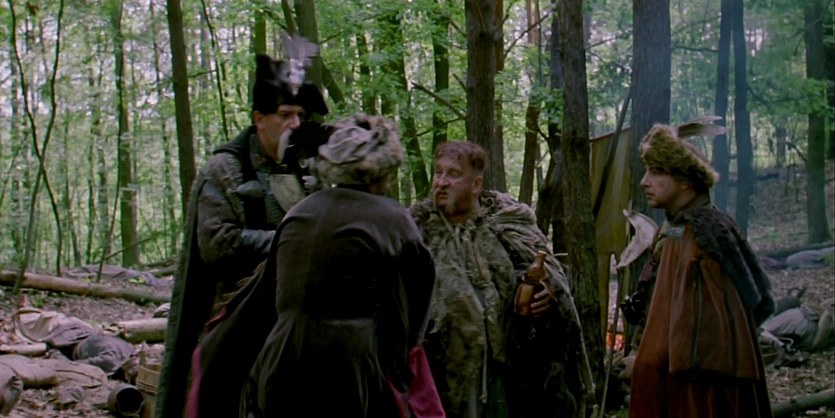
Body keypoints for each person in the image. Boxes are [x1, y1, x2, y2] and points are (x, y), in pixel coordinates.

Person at [156, 45, 329, 418]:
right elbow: (216, 244)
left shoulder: (308, 169)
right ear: (259, 119)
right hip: (231, 322)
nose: (295, 124)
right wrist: (287, 242)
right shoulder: (224, 170)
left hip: (291, 325)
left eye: (300, 115)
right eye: (285, 115)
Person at [240, 114, 442, 417]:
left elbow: (267, 296)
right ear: (378, 175)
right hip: (351, 364)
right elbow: (419, 299)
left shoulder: (299, 212)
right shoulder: (394, 219)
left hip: (281, 358)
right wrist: (401, 361)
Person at [410, 141, 590, 418]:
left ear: (476, 184)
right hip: (438, 379)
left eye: (453, 174)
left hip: (504, 382)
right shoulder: (415, 234)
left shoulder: (509, 225)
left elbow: (547, 281)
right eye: (438, 172)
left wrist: (546, 295)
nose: (442, 182)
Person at [628, 124, 775, 418]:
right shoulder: (679, 229)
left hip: (695, 392)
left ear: (685, 180)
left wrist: (646, 361)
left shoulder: (700, 239)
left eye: (656, 172)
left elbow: (701, 346)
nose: (644, 181)